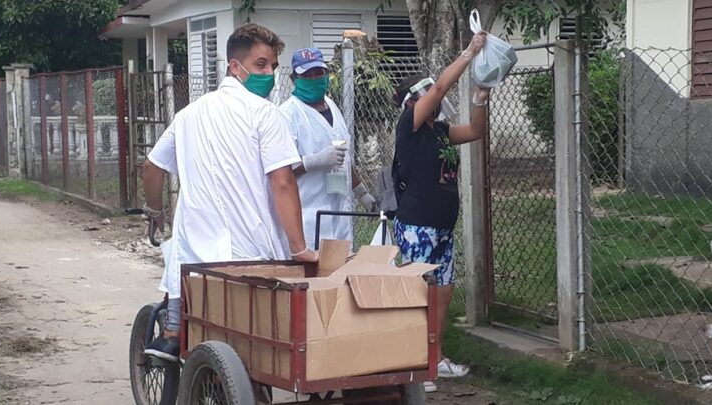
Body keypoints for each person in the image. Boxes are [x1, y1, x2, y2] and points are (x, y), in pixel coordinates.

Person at [141, 23, 317, 362]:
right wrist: (299, 249)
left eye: (273, 67)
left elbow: (152, 168)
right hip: (250, 257)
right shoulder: (264, 114)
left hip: (196, 260)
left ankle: (173, 331)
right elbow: (283, 182)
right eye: (261, 65)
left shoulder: (188, 114)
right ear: (235, 67)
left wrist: (156, 211)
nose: (269, 74)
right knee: (256, 349)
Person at [392, 31, 490, 389]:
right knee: (421, 293)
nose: (434, 95)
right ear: (410, 101)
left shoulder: (441, 131)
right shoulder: (410, 126)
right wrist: (468, 54)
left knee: (444, 292)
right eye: (425, 91)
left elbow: (476, 131)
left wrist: (481, 96)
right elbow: (439, 91)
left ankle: (434, 358)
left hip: (443, 226)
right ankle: (414, 366)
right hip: (418, 226)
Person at [279, 47, 376, 249]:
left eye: (319, 73)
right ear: (293, 78)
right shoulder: (287, 115)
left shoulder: (332, 106)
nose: (314, 79)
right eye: (307, 75)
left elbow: (344, 157)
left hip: (340, 212)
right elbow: (281, 171)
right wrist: (315, 160)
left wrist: (362, 194)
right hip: (309, 215)